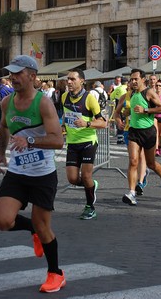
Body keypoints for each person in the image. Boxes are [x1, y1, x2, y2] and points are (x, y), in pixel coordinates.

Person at [0, 55, 66, 293]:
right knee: (1, 220)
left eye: (17, 73)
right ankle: (31, 228)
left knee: (44, 228)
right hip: (17, 172)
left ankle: (56, 273)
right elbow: (3, 127)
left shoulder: (43, 103)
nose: (12, 77)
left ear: (33, 76)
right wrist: (1, 153)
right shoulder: (6, 102)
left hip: (43, 174)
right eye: (10, 73)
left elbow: (58, 140)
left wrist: (30, 139)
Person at [117, 69, 161, 205]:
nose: (133, 81)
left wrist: (145, 110)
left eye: (136, 79)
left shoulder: (148, 92)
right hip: (134, 131)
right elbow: (117, 112)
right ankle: (132, 193)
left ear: (143, 79)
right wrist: (119, 119)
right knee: (133, 161)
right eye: (131, 79)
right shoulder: (128, 95)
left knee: (151, 163)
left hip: (148, 132)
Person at [62, 69, 107, 220]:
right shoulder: (63, 97)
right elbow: (66, 115)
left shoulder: (89, 98)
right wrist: (63, 126)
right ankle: (91, 185)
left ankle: (90, 207)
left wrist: (86, 123)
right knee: (73, 179)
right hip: (72, 143)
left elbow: (103, 122)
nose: (69, 82)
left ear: (82, 81)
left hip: (88, 142)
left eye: (72, 79)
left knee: (86, 175)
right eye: (68, 79)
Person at [110, 77, 128, 144]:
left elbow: (111, 97)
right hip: (125, 109)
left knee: (119, 123)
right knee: (125, 123)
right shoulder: (127, 88)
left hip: (118, 108)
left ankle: (119, 138)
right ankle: (124, 137)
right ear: (127, 82)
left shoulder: (117, 88)